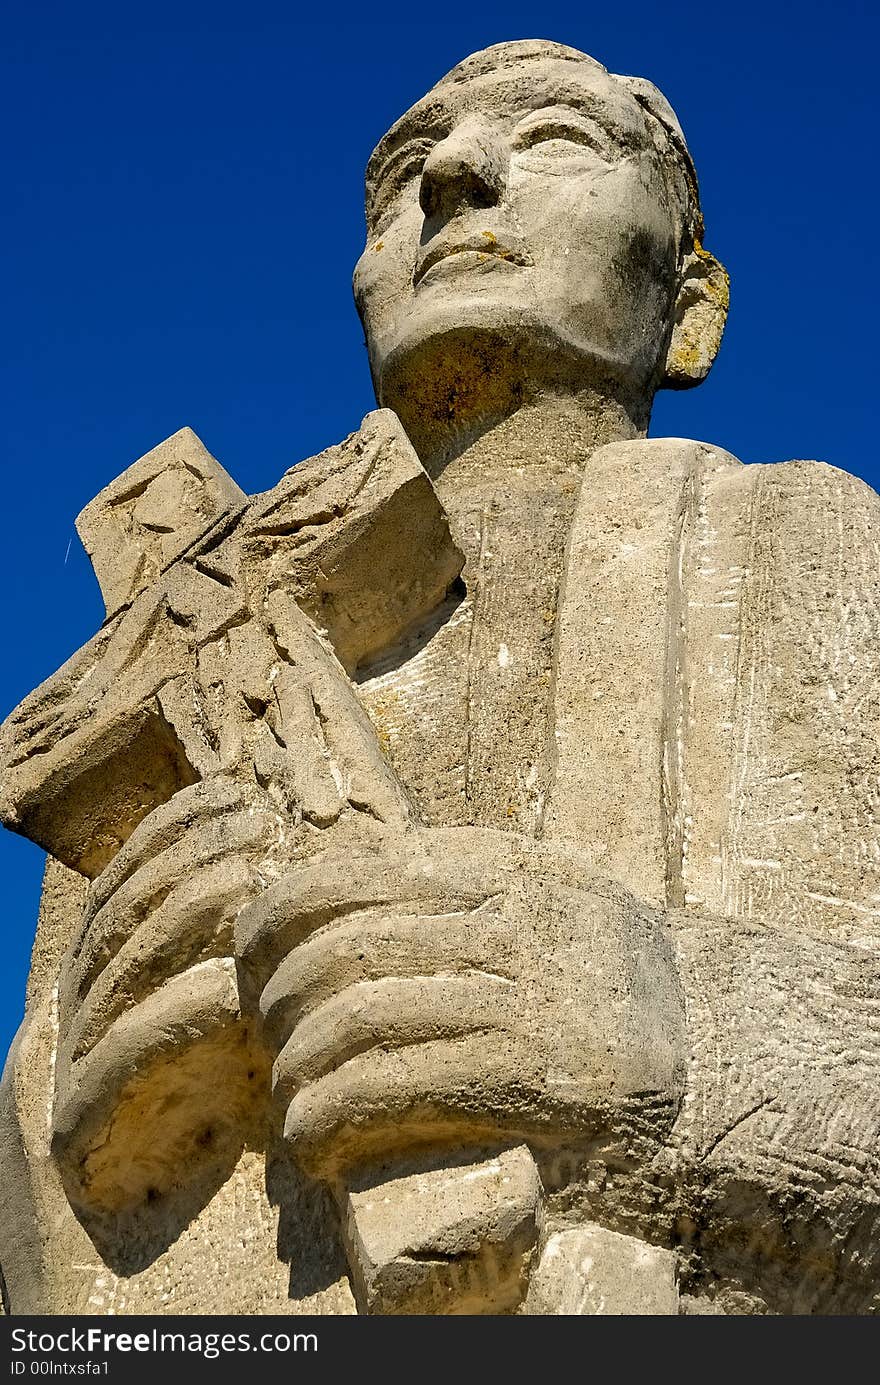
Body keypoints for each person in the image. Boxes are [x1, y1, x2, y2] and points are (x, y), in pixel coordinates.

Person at [1, 40, 878, 1316]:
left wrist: (670, 1036)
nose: (455, 176)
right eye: (405, 166)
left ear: (692, 310)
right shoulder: (174, 685)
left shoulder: (810, 543)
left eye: (561, 139)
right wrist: (63, 1140)